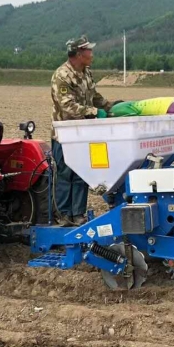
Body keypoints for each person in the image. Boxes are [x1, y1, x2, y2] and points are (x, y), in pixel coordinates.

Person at [51, 36, 113, 226]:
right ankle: (63, 216)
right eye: (89, 51)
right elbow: (67, 105)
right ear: (78, 54)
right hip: (65, 135)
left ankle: (78, 214)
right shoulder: (62, 76)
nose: (92, 54)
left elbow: (95, 97)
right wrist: (94, 112)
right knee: (65, 174)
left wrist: (112, 108)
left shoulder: (86, 73)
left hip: (84, 133)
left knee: (81, 175)